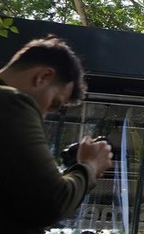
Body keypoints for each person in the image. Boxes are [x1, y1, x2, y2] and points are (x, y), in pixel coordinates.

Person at [0, 35, 113, 233]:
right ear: (43, 77)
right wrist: (90, 166)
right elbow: (51, 202)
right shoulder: (12, 103)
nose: (44, 115)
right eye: (54, 103)